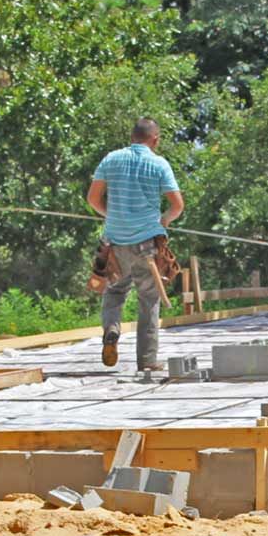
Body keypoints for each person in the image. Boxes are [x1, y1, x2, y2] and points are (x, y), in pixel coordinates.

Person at [87, 117, 183, 372]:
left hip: (114, 244)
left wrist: (112, 215)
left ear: (132, 137)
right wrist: (164, 220)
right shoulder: (159, 164)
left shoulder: (111, 159)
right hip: (147, 246)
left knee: (115, 293)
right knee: (149, 300)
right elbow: (177, 205)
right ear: (155, 139)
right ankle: (147, 361)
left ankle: (112, 329)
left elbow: (93, 199)